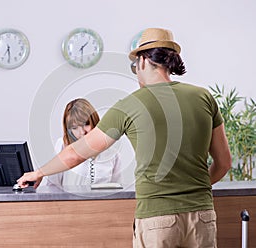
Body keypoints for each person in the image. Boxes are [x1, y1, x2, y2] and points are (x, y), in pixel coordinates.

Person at [17, 28, 232, 247]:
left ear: (143, 61)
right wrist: (193, 189)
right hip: (203, 216)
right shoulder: (204, 97)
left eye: (134, 65)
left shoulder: (131, 105)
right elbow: (224, 163)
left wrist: (40, 172)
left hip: (157, 220)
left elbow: (77, 152)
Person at [45, 98, 123, 187]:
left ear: (94, 122)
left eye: (86, 124)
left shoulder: (111, 152)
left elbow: (117, 190)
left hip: (102, 200)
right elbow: (52, 186)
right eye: (74, 128)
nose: (82, 132)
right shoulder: (63, 146)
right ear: (69, 130)